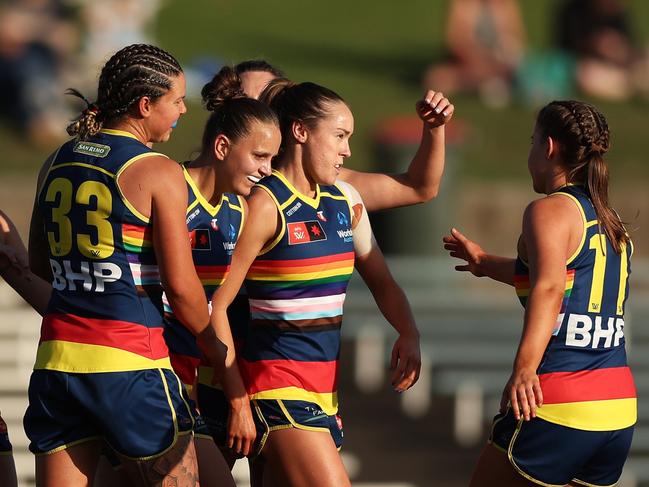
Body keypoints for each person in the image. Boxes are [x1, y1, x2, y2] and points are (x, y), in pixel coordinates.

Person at [208, 79, 452, 486]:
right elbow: (217, 306)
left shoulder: (344, 201)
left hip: (326, 396)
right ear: (301, 132)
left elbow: (384, 282)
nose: (348, 150)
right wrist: (236, 399)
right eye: (339, 136)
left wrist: (408, 331)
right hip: (278, 392)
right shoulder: (265, 206)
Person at [24, 43, 227, 486]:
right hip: (131, 366)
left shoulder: (55, 161)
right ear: (144, 104)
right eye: (176, 100)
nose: (181, 111)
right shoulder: (158, 170)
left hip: (57, 364)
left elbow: (42, 266)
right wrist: (215, 345)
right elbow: (182, 286)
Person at [444, 100, 635, 486]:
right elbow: (561, 280)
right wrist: (484, 262)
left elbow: (548, 287)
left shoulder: (548, 211)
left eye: (532, 141)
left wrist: (524, 369)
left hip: (559, 405)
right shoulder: (612, 222)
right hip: (617, 410)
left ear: (548, 147)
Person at [161, 65, 280, 480]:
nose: (267, 169)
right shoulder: (169, 187)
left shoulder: (237, 209)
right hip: (151, 374)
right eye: (260, 156)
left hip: (189, 382)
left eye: (272, 158)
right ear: (223, 145)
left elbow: (218, 307)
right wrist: (237, 398)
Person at [235, 59, 452, 212]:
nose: (257, 114)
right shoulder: (209, 185)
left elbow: (418, 188)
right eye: (245, 104)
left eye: (265, 101)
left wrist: (434, 128)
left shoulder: (331, 187)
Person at [423, 0, 526, 107]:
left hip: (499, 63)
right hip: (471, 63)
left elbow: (518, 39)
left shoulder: (506, 4)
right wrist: (478, 59)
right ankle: (490, 84)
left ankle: (487, 83)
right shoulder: (462, 3)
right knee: (437, 79)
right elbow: (455, 43)